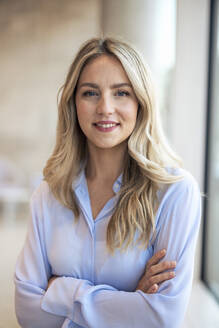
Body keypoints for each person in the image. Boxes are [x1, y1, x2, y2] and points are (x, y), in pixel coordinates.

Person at [14, 37, 201, 328]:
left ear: (141, 102)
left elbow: (162, 317)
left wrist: (60, 290)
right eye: (90, 93)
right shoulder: (48, 194)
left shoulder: (175, 192)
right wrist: (129, 300)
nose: (105, 108)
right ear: (73, 103)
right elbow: (28, 312)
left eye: (121, 93)